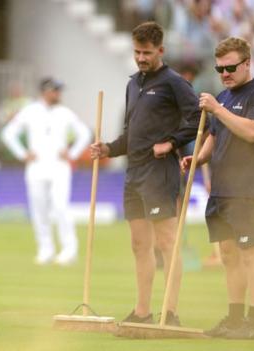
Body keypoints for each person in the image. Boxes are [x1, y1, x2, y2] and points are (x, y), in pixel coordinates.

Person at [90, 21, 200, 326]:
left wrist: (173, 142)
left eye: (147, 53)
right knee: (139, 244)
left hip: (160, 173)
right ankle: (143, 312)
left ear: (160, 50)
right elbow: (131, 134)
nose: (141, 58)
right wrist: (108, 149)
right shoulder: (133, 84)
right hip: (133, 174)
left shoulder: (174, 83)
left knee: (167, 243)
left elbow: (199, 119)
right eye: (137, 52)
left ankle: (171, 312)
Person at [182, 37, 254, 339]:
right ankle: (234, 320)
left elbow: (251, 132)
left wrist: (217, 110)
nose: (225, 73)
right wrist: (196, 159)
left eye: (231, 67)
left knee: (250, 254)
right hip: (221, 190)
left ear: (247, 63)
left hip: (247, 189)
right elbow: (214, 137)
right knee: (228, 256)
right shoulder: (221, 97)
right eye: (220, 68)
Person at [1, 78, 91, 266]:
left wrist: (72, 153)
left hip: (60, 167)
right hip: (36, 167)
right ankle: (45, 249)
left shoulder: (65, 113)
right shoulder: (30, 111)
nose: (58, 94)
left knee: (60, 206)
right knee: (39, 209)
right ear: (45, 91)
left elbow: (85, 133)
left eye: (59, 91)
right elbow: (8, 133)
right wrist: (23, 154)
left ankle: (69, 249)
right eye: (55, 90)